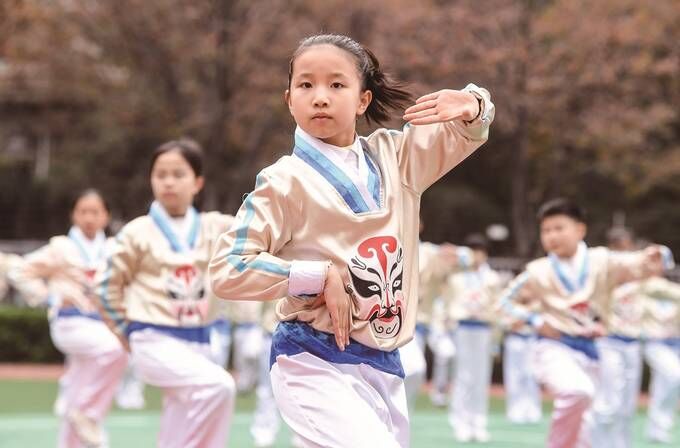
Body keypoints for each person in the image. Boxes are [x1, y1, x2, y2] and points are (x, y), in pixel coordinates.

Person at [210, 33, 494, 448]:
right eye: (306, 85)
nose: (320, 97)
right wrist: (316, 276)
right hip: (312, 359)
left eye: (336, 84)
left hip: (384, 362)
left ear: (363, 100)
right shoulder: (282, 181)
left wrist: (474, 105)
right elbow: (229, 268)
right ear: (289, 99)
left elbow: (468, 131)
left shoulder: (397, 158)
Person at [500, 197, 674, 448]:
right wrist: (536, 320)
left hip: (595, 351)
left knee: (590, 423)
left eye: (559, 228)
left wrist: (657, 253)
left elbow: (648, 263)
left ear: (580, 230)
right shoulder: (536, 271)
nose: (551, 236)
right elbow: (503, 303)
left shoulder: (601, 260)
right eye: (546, 230)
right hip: (554, 348)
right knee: (577, 391)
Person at [96, 139, 236, 448]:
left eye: (178, 174)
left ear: (197, 182)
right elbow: (106, 286)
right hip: (153, 337)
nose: (168, 182)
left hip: (201, 340)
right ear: (151, 180)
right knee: (220, 387)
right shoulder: (137, 231)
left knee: (180, 417)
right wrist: (125, 332)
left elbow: (260, 231)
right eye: (160, 174)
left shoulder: (216, 227)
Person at [11, 189, 127, 448]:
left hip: (100, 325)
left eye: (95, 212)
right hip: (70, 323)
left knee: (76, 388)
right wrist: (48, 296)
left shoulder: (112, 249)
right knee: (117, 349)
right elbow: (20, 269)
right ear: (73, 215)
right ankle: (88, 413)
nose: (89, 218)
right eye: (83, 211)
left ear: (106, 216)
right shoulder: (60, 247)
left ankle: (77, 428)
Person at [444, 234, 503, 442]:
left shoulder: (493, 279)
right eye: (472, 251)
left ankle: (479, 422)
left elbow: (498, 310)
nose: (476, 256)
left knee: (481, 377)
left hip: (484, 329)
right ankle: (460, 421)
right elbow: (448, 306)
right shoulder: (456, 278)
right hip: (462, 328)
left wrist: (496, 341)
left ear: (485, 254)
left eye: (480, 251)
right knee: (463, 377)